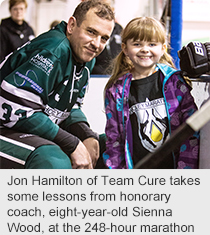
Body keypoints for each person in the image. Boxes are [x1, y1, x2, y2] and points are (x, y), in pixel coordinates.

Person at [0, 0, 115, 169]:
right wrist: (73, 143)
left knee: (110, 145)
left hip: (25, 129)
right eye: (91, 32)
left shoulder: (86, 58)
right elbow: (17, 109)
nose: (97, 44)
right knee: (53, 160)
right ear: (71, 25)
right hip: (5, 126)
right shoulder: (54, 50)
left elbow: (69, 107)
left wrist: (86, 134)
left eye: (104, 38)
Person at [103, 17, 199, 169]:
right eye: (137, 44)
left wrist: (185, 172)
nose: (145, 49)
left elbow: (190, 130)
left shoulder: (175, 83)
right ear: (125, 48)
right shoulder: (116, 91)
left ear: (163, 48)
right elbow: (114, 140)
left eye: (152, 44)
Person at [90, 0, 123, 74]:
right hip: (94, 77)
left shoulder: (119, 29)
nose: (102, 10)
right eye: (99, 6)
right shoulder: (89, 29)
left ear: (113, 10)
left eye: (106, 7)